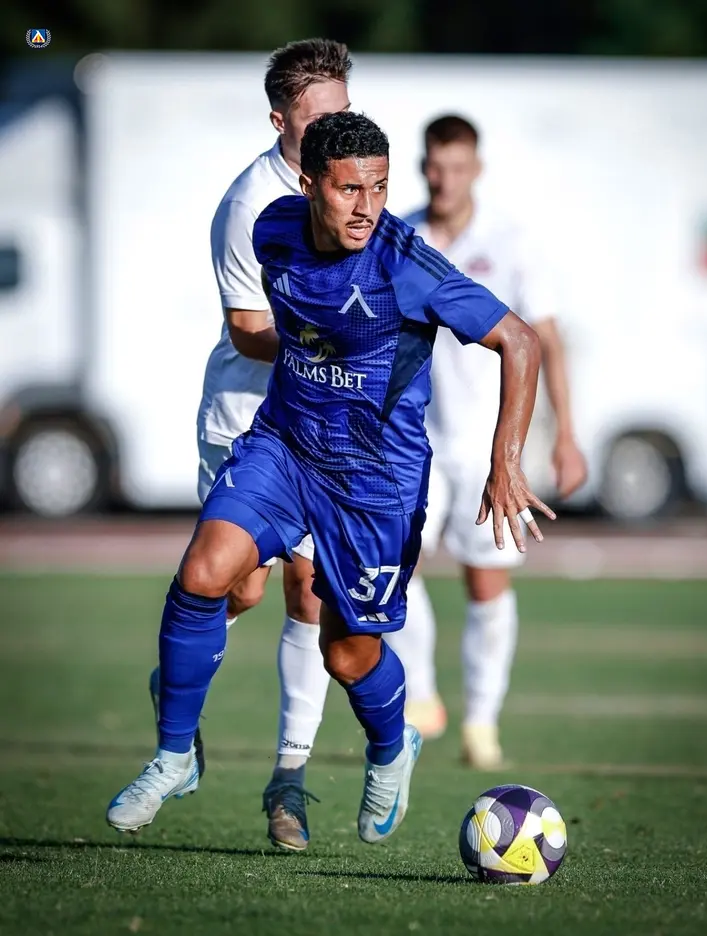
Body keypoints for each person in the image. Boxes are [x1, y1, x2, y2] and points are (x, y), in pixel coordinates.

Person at [106, 110, 555, 847]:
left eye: (379, 188)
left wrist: (505, 462)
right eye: (349, 189)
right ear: (310, 184)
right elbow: (284, 326)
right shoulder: (273, 230)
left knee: (346, 653)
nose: (367, 206)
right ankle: (174, 756)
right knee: (203, 573)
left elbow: (521, 340)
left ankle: (391, 746)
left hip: (375, 481)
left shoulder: (405, 263)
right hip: (285, 446)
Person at [146, 38, 352, 852]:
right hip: (244, 416)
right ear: (279, 121)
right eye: (318, 116)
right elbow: (246, 328)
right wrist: (332, 346)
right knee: (238, 590)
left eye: (343, 112)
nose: (335, 129)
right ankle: (174, 686)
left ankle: (288, 784)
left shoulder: (351, 187)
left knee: (312, 592)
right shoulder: (249, 205)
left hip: (316, 426)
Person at [387, 115, 587, 769]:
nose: (445, 179)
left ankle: (481, 722)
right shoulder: (402, 236)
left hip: (488, 443)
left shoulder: (512, 241)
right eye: (435, 166)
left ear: (476, 169)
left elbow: (543, 339)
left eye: (457, 167)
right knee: (394, 569)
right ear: (422, 168)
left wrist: (566, 435)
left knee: (486, 583)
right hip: (413, 439)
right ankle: (422, 695)